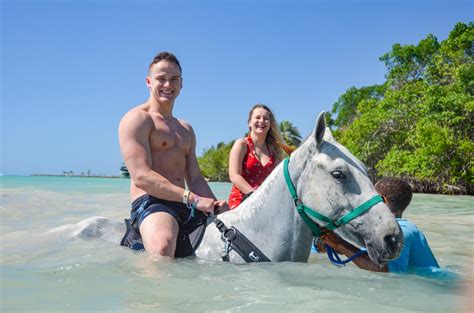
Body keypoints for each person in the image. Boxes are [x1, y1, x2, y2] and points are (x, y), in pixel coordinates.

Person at [118, 51, 229, 258]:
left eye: (174, 79)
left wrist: (216, 205)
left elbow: (194, 178)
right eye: (161, 79)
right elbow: (141, 176)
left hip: (186, 201)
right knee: (163, 245)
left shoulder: (185, 129)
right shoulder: (137, 120)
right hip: (151, 201)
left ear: (181, 84)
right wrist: (193, 199)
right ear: (148, 81)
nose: (168, 85)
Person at [319, 177, 440, 273]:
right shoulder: (385, 233)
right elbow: (363, 255)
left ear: (382, 200)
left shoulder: (401, 232)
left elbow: (383, 270)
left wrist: (340, 244)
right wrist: (332, 243)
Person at [227, 104, 288, 209]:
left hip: (266, 205)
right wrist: (255, 196)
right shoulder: (242, 144)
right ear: (249, 123)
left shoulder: (275, 150)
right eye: (258, 117)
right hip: (241, 203)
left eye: (266, 119)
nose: (262, 121)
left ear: (270, 124)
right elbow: (234, 176)